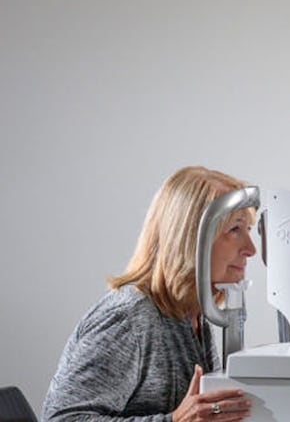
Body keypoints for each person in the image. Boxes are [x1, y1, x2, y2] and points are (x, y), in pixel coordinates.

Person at [42, 166, 256, 422]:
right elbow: (60, 419)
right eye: (235, 230)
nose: (250, 249)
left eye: (249, 231)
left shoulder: (190, 317)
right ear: (190, 239)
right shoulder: (130, 319)